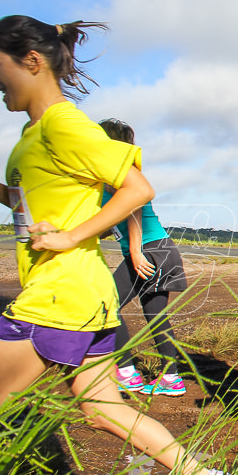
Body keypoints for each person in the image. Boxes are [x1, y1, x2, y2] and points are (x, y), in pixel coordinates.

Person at [0, 15, 230, 475]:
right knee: (102, 409)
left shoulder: (64, 125)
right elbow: (29, 207)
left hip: (59, 295)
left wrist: (73, 236)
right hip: (87, 296)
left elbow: (137, 189)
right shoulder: (33, 134)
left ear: (32, 62)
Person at [98, 119, 189, 397]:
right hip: (161, 248)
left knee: (105, 302)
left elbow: (134, 207)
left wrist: (136, 252)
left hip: (149, 250)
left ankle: (126, 372)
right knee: (155, 315)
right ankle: (171, 379)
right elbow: (113, 222)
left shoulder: (119, 174)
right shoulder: (118, 175)